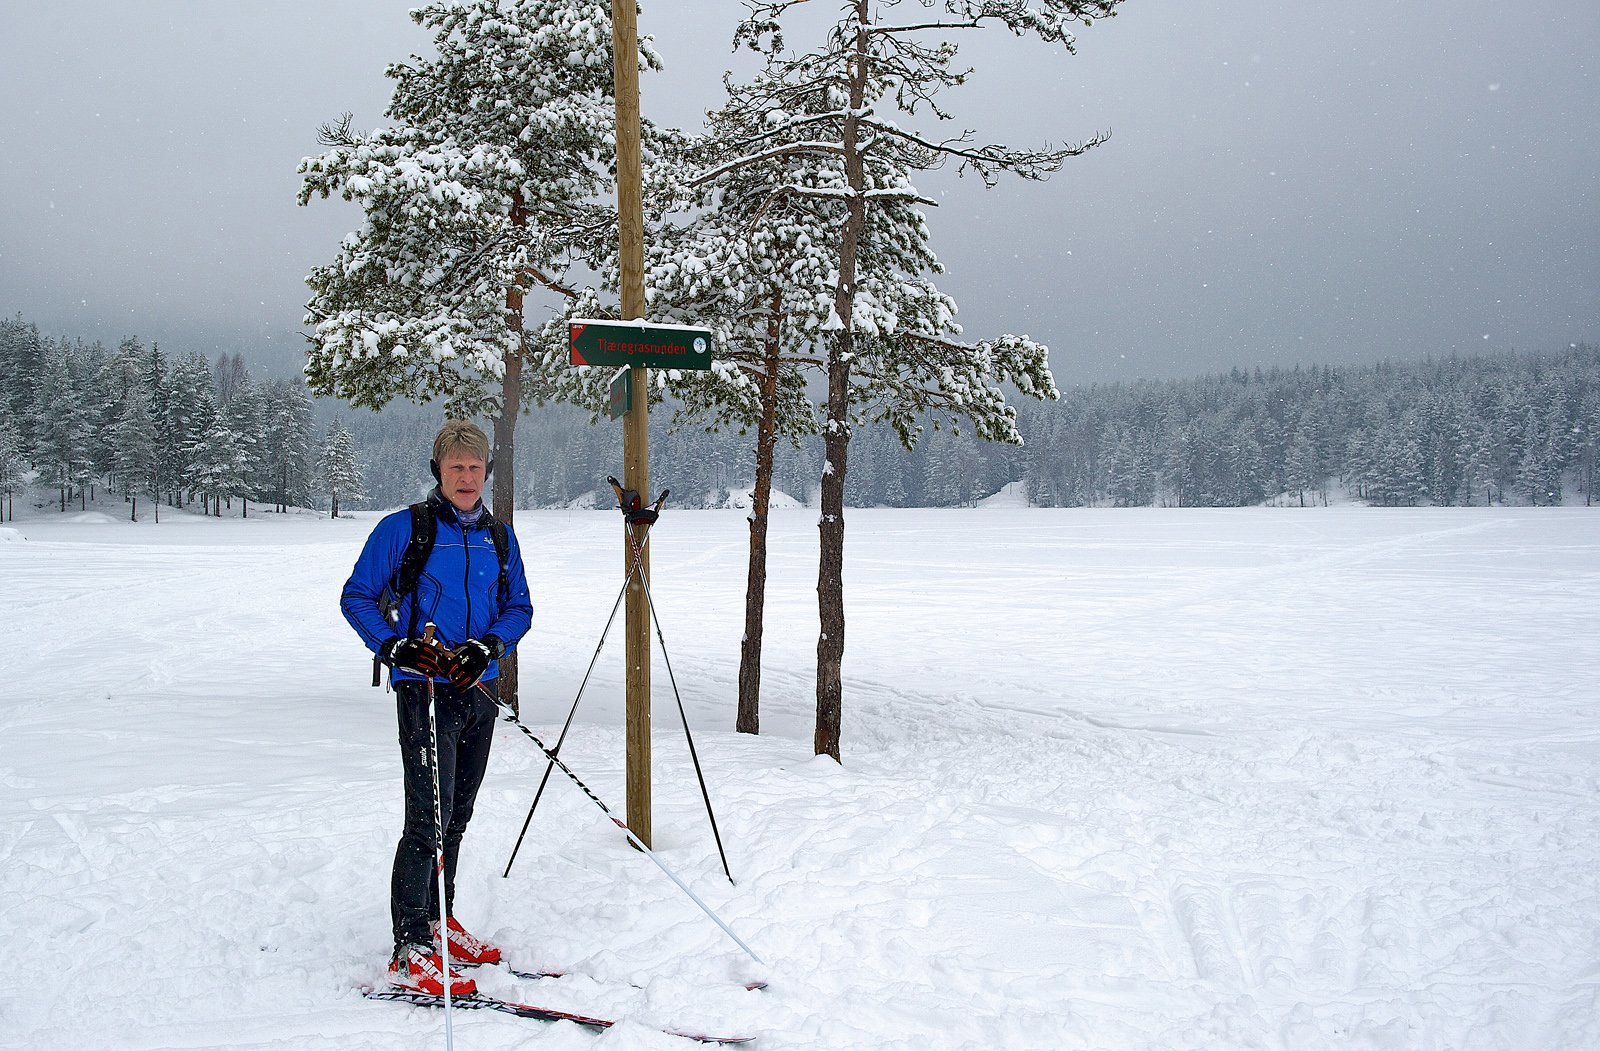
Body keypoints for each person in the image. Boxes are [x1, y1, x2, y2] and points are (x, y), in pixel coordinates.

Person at [340, 419, 533, 996]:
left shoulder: (500, 537)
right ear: (438, 472)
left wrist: (488, 646)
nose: (467, 478)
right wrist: (394, 645)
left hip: (479, 689)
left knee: (458, 816)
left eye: (475, 468)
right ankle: (410, 943)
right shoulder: (406, 530)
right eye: (456, 468)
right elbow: (356, 597)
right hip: (423, 691)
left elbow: (519, 606)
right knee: (425, 816)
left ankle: (440, 920)